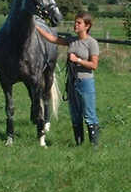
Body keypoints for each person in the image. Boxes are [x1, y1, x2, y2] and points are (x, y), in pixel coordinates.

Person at [36, 12, 99, 147]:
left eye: (79, 23)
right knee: (75, 115)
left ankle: (94, 146)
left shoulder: (91, 43)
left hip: (85, 82)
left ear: (87, 26)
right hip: (72, 82)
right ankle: (79, 143)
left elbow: (94, 65)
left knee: (89, 114)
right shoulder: (72, 40)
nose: (75, 25)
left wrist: (78, 60)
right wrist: (37, 28)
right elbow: (53, 39)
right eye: (75, 22)